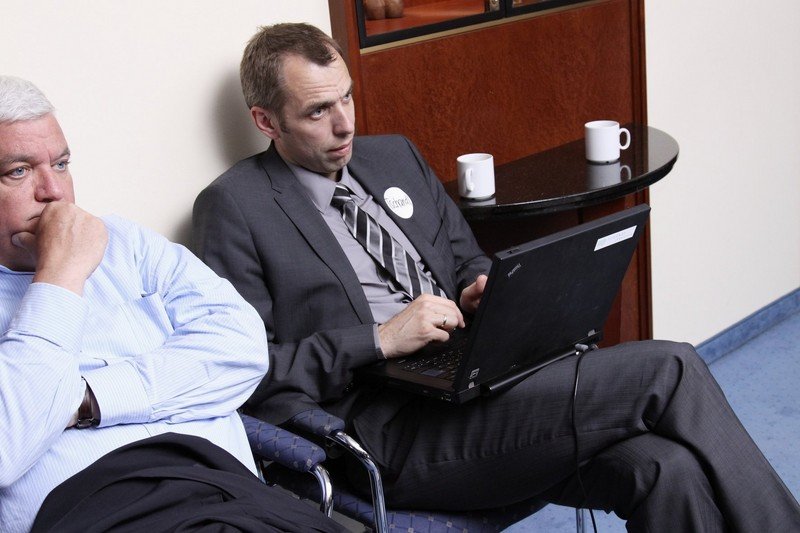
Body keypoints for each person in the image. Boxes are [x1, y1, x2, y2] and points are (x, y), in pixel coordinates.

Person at [192, 23, 800, 532]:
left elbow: (467, 258)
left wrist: (483, 289)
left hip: (480, 377)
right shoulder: (236, 208)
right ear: (266, 121)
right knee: (670, 367)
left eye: (347, 98)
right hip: (391, 430)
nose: (345, 124)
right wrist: (379, 340)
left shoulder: (393, 155)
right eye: (318, 111)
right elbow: (246, 372)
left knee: (667, 469)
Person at [0, 76, 345, 533]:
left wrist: (86, 400)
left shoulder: (124, 242)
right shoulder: (69, 261)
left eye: (61, 164)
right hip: (100, 513)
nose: (54, 192)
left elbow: (243, 348)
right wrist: (60, 274)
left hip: (232, 495)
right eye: (18, 171)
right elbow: (6, 444)